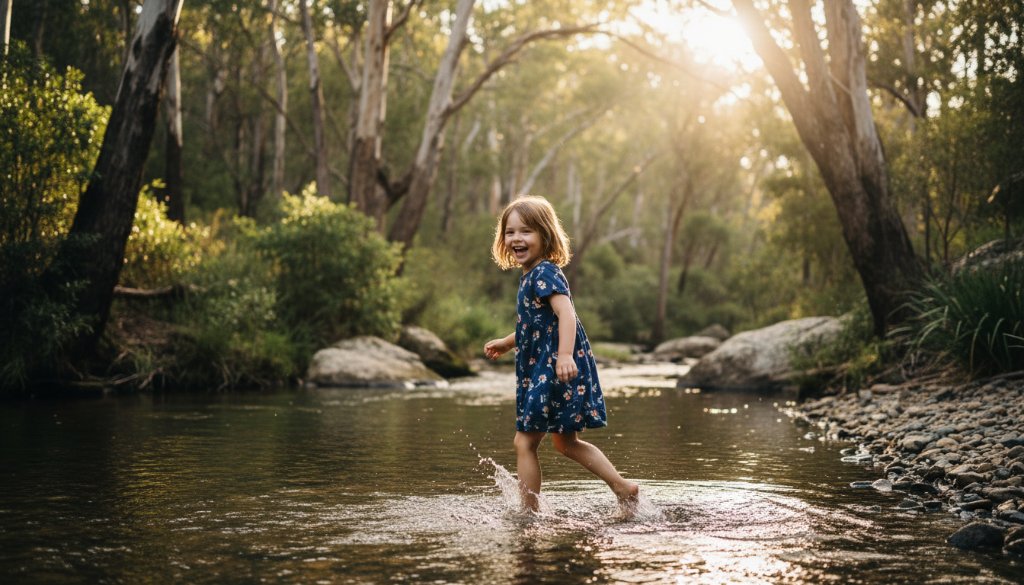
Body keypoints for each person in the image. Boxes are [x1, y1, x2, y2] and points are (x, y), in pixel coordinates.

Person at [484, 195, 639, 513]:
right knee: (565, 443)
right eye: (510, 232)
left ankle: (528, 515)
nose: (517, 238)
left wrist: (565, 356)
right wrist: (507, 341)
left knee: (524, 442)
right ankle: (623, 487)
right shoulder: (531, 275)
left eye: (526, 231)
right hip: (550, 365)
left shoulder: (544, 273)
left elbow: (566, 314)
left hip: (555, 367)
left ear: (545, 235)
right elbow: (538, 326)